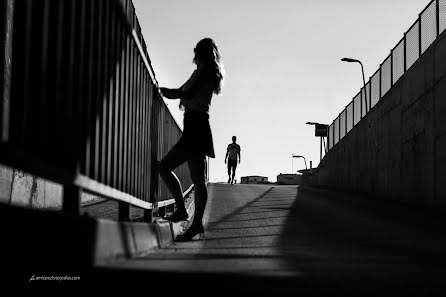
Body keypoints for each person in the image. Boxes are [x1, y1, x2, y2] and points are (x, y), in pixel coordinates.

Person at [159, 38, 224, 242]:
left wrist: (163, 91)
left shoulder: (204, 73)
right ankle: (191, 221)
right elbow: (185, 93)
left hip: (196, 124)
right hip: (196, 124)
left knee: (166, 167)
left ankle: (187, 217)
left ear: (201, 53)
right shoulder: (204, 72)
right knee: (197, 179)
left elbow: (186, 93)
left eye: (196, 51)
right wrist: (174, 93)